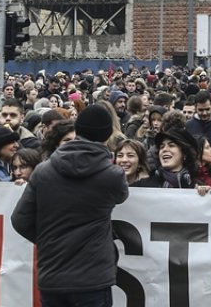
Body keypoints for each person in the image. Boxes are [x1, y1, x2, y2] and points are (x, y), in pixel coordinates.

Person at [12, 101, 127, 307]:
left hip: (52, 275)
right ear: (107, 135)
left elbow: (20, 220)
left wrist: (50, 241)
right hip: (92, 278)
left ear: (78, 129)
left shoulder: (43, 171)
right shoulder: (112, 175)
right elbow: (121, 196)